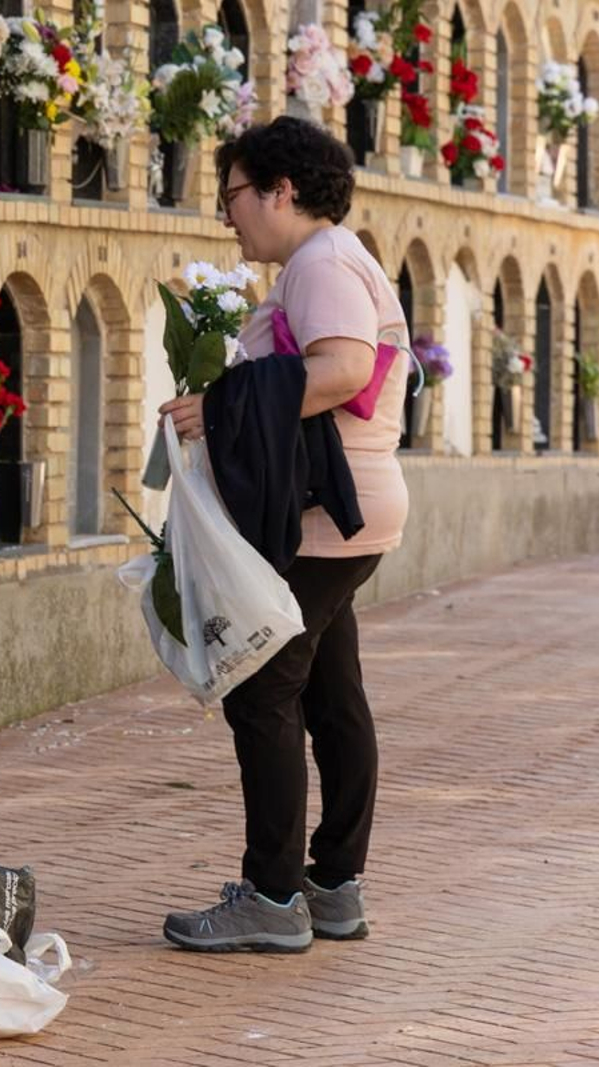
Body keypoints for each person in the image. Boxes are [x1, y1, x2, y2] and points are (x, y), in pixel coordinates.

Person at [156, 117, 410, 952]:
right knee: (332, 692)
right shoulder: (329, 260)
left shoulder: (323, 262)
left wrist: (223, 404)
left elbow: (343, 369)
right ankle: (333, 885)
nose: (228, 216)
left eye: (232, 195)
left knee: (262, 689)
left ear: (280, 191)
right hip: (347, 509)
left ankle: (272, 896)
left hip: (326, 514)